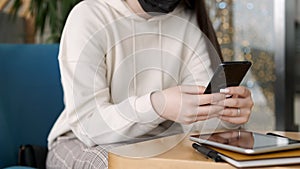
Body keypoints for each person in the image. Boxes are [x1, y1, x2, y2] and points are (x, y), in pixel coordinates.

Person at [46, 0, 254, 168]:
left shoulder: (187, 20)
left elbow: (200, 124)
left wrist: (227, 114)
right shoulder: (88, 16)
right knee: (114, 164)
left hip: (157, 143)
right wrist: (157, 105)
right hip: (80, 142)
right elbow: (89, 126)